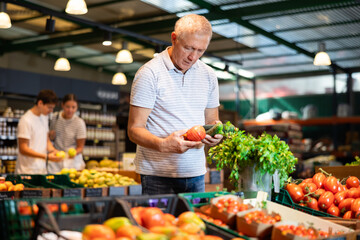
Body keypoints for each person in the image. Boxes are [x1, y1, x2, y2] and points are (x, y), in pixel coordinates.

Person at [128, 14, 223, 195]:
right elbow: (134, 129)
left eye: (200, 51)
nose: (193, 57)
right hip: (157, 175)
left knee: (195, 223)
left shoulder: (209, 75)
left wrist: (216, 134)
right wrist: (163, 145)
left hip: (196, 173)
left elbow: (212, 120)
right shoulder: (149, 73)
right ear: (174, 38)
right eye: (188, 48)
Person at [15, 89, 63, 174]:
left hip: (41, 170)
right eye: (49, 107)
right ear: (40, 103)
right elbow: (23, 149)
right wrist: (46, 157)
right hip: (27, 171)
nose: (51, 111)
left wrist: (53, 150)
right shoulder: (26, 120)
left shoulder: (44, 117)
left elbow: (46, 139)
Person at [49, 93, 86, 173]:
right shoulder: (55, 117)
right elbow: (50, 139)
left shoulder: (79, 123)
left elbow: (80, 147)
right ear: (62, 105)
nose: (70, 110)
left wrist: (73, 153)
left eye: (73, 107)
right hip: (56, 160)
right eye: (68, 107)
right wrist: (51, 136)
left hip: (72, 161)